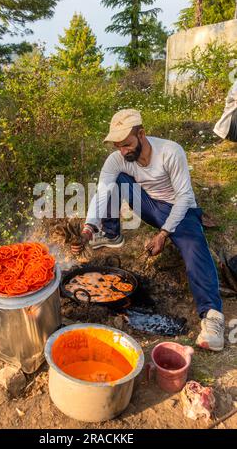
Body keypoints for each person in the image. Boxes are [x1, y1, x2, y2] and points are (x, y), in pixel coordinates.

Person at [72, 109, 225, 352]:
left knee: (194, 247)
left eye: (127, 144)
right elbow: (102, 193)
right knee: (115, 181)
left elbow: (185, 197)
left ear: (141, 134)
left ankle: (212, 317)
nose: (123, 151)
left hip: (180, 210)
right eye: (118, 146)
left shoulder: (170, 151)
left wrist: (164, 233)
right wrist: (88, 229)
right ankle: (111, 234)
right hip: (149, 205)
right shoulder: (118, 158)